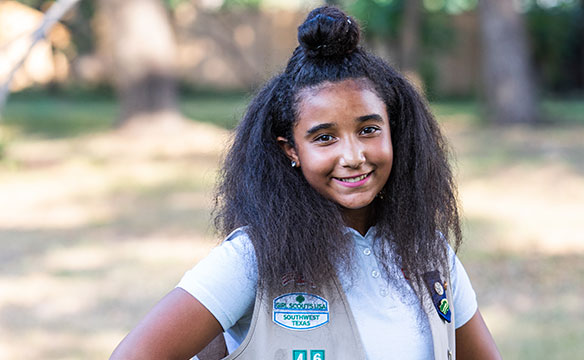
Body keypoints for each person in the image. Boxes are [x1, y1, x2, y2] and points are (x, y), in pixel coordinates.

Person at [110, 5, 501, 360]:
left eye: (368, 129)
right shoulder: (253, 258)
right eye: (324, 137)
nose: (353, 156)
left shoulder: (429, 252)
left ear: (393, 133)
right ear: (291, 150)